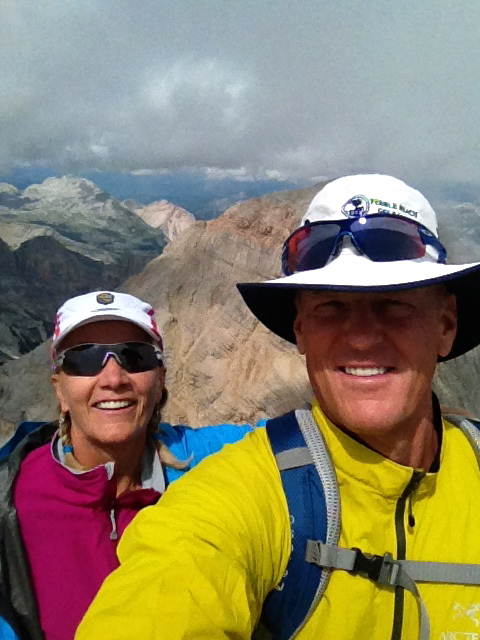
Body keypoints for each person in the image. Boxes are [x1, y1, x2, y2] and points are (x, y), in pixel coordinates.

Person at [76, 175, 480, 640]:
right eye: (331, 307)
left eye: (394, 304)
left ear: (445, 326)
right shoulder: (240, 495)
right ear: (301, 331)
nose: (362, 337)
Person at [0, 290, 253, 640]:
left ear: (160, 380)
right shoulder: (12, 495)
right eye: (85, 359)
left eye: (134, 356)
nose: (113, 379)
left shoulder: (206, 461)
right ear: (60, 389)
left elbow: (305, 434)